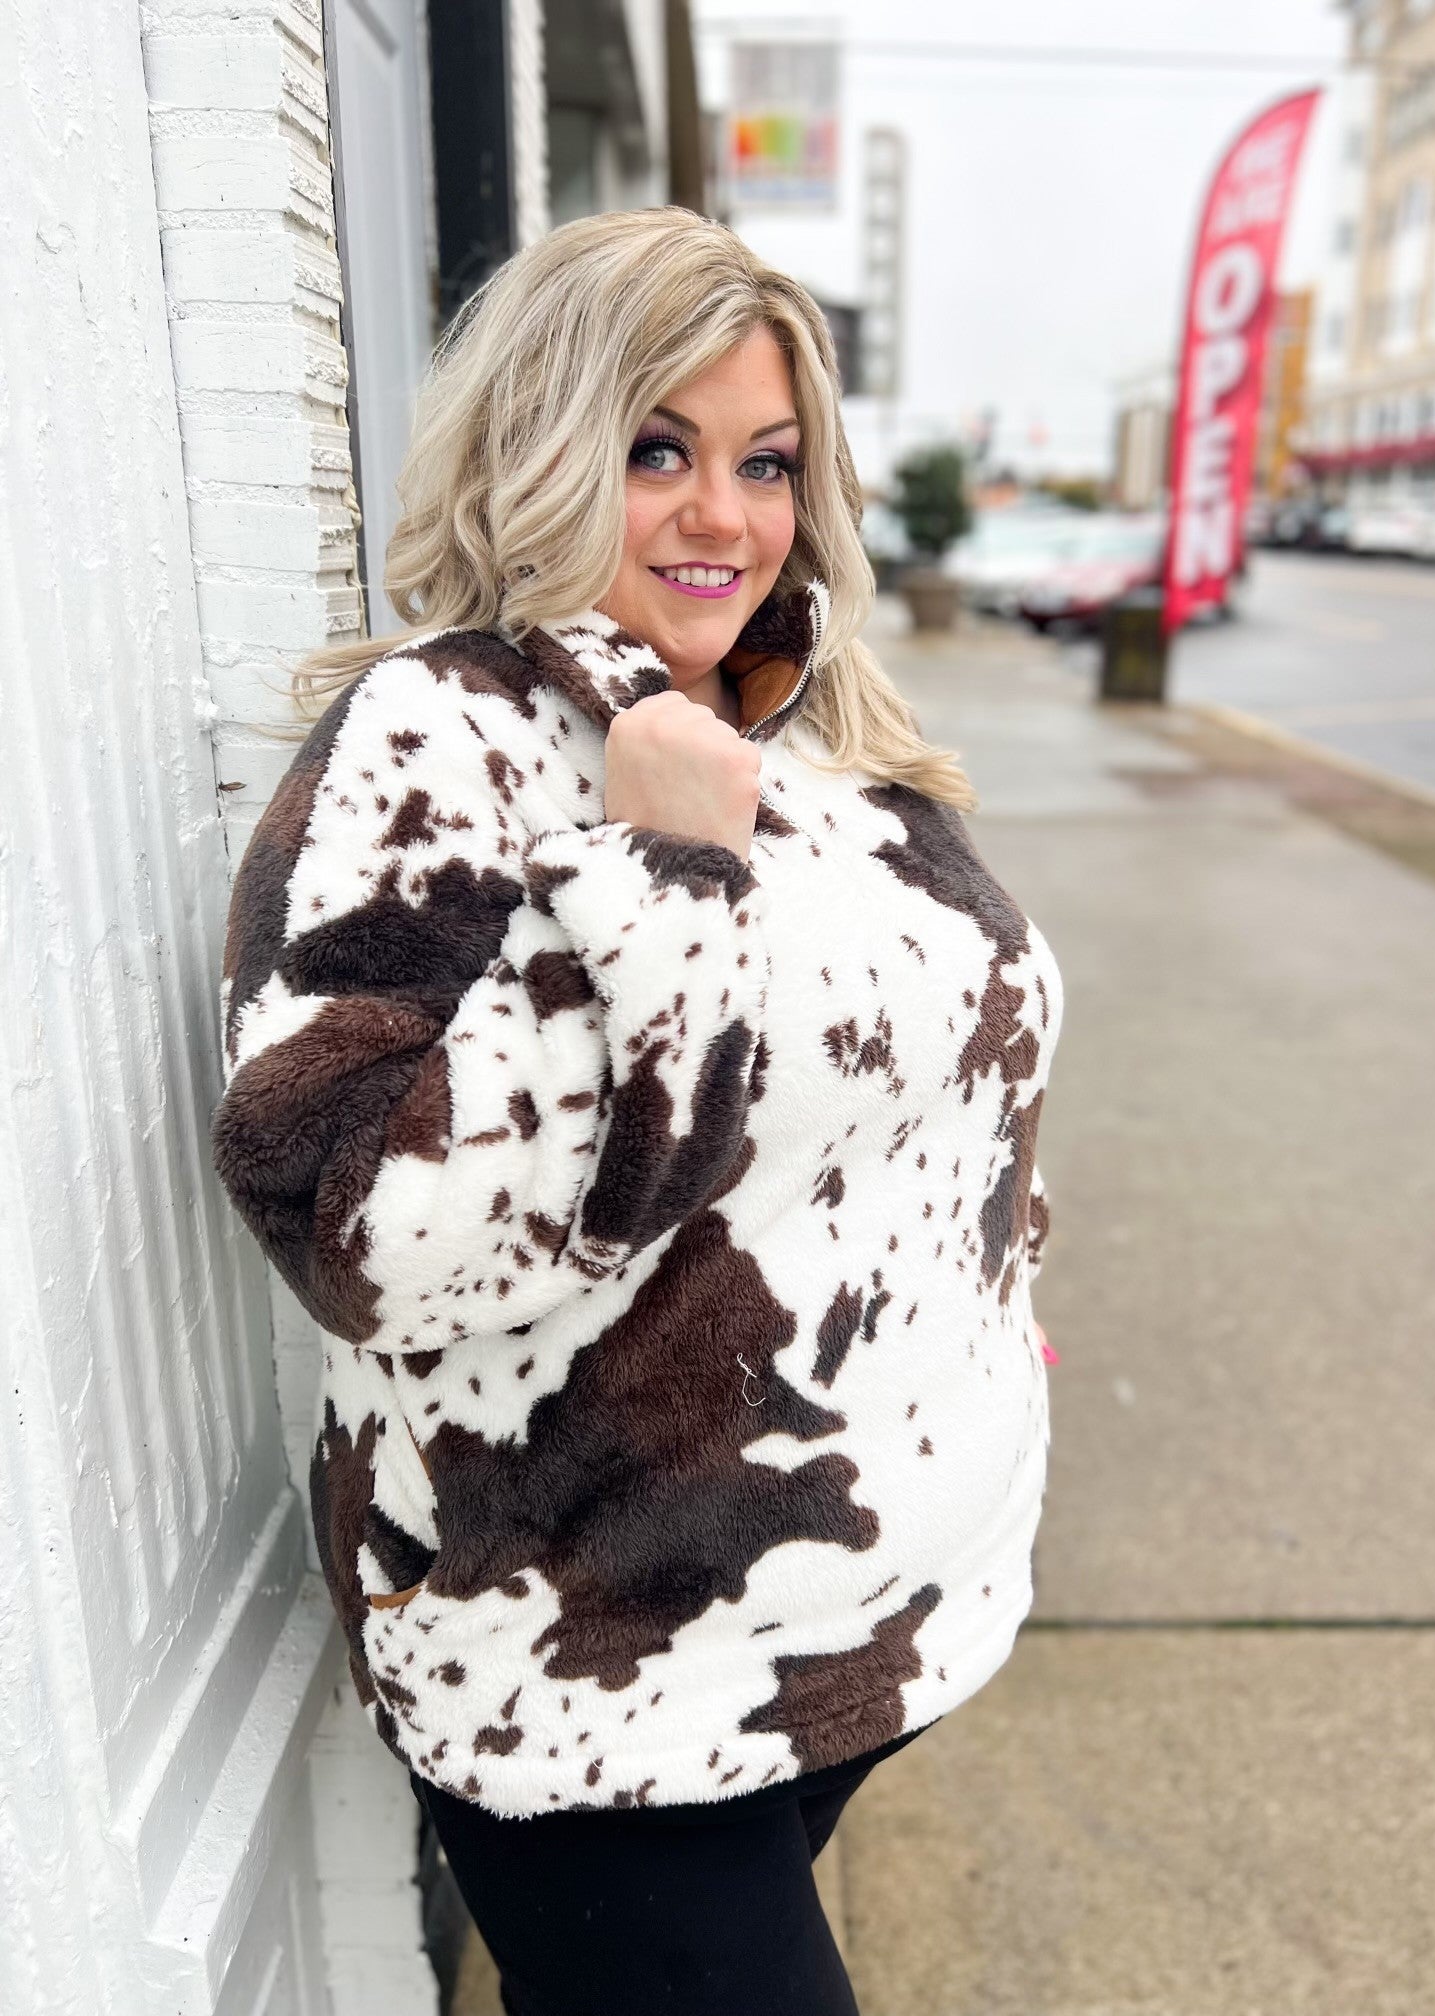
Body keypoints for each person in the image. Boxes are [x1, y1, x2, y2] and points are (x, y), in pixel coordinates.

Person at [211, 206, 1064, 2015]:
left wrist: (987, 1301)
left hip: (864, 1624)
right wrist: (656, 871)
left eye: (767, 463)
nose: (722, 519)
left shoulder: (817, 729)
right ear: (542, 444)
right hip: (604, 1677)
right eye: (657, 450)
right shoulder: (434, 737)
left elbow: (961, 1067)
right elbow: (367, 1236)